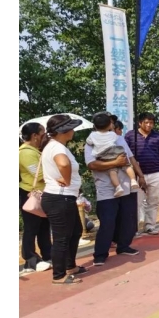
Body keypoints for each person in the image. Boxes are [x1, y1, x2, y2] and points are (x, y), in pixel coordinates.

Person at [40, 115, 88, 285]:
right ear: (63, 130)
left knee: (75, 232)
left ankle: (70, 266)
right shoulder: (56, 147)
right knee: (62, 238)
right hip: (59, 197)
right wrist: (67, 180)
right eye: (71, 128)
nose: (73, 131)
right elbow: (64, 164)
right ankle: (59, 275)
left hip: (64, 197)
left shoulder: (55, 145)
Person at [125, 112, 159, 235]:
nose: (149, 125)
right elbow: (125, 154)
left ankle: (150, 225)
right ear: (140, 123)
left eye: (151, 123)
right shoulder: (130, 136)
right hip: (136, 174)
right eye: (146, 122)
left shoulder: (158, 137)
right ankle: (133, 228)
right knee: (135, 202)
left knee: (154, 201)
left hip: (156, 173)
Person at [19, 122, 52, 274]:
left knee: (44, 226)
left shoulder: (35, 151)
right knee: (31, 228)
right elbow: (39, 174)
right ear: (35, 136)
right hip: (29, 194)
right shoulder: (25, 153)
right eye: (43, 134)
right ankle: (31, 260)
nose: (45, 137)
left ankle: (48, 255)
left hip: (40, 193)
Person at [86, 114, 140, 197]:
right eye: (111, 122)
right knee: (127, 166)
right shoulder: (114, 135)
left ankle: (118, 187)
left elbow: (89, 141)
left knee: (112, 171)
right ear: (109, 125)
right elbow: (91, 165)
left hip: (105, 157)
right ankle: (133, 180)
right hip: (106, 191)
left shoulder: (92, 137)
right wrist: (116, 162)